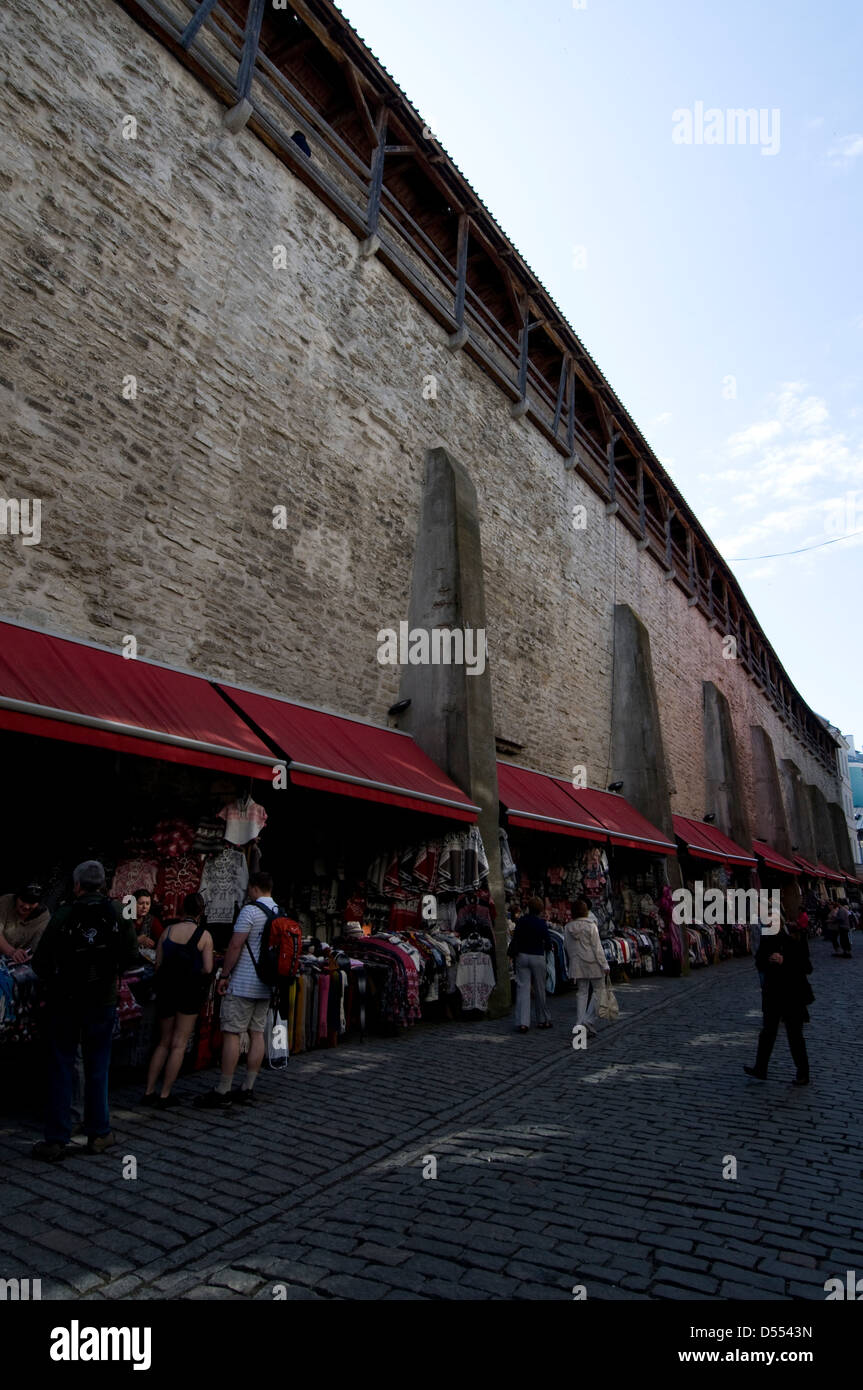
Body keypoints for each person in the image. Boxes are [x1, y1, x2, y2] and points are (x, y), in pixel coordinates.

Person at [30, 860, 139, 1160]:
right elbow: (131, 958)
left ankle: (55, 1139)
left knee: (62, 1067)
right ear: (103, 884)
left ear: (76, 886)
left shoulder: (63, 914)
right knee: (98, 1067)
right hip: (102, 1002)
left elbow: (40, 964)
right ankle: (99, 1134)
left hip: (64, 1002)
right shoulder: (119, 912)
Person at [194, 871, 276, 1109]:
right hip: (266, 983)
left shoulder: (250, 911)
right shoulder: (280, 912)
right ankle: (248, 1086)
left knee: (232, 1032)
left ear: (254, 888)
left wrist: (226, 974)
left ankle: (224, 1088)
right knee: (257, 1033)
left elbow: (235, 945)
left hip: (243, 982)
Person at [141, 893, 213, 1109]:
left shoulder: (168, 931)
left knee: (163, 1042)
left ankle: (148, 1090)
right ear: (200, 912)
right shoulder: (205, 936)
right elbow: (208, 968)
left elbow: (158, 963)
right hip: (189, 991)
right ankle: (165, 1094)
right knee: (179, 1043)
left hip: (167, 990)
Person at [744, 917, 813, 1086]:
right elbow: (759, 963)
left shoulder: (794, 939)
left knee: (795, 1035)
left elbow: (807, 967)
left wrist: (785, 961)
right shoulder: (767, 942)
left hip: (793, 995)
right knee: (767, 1032)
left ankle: (803, 1073)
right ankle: (760, 1068)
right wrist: (768, 960)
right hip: (772, 994)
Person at [563, 897, 609, 1037]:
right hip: (593, 962)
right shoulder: (591, 926)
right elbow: (597, 948)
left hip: (577, 964)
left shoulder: (568, 927)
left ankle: (579, 1023)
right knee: (599, 991)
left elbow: (566, 946)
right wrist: (605, 964)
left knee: (582, 993)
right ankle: (588, 1020)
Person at [509, 896, 552, 1034]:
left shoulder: (521, 921)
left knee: (523, 988)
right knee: (540, 989)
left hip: (522, 956)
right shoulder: (541, 923)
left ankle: (523, 1022)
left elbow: (515, 938)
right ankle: (543, 1019)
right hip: (537, 956)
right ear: (540, 910)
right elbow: (548, 942)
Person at [0, 884, 50, 964]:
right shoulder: (6, 901)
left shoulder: (43, 916)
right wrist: (11, 951)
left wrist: (29, 956)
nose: (26, 906)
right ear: (17, 897)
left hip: (13, 962)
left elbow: (37, 945)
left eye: (32, 903)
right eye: (23, 900)